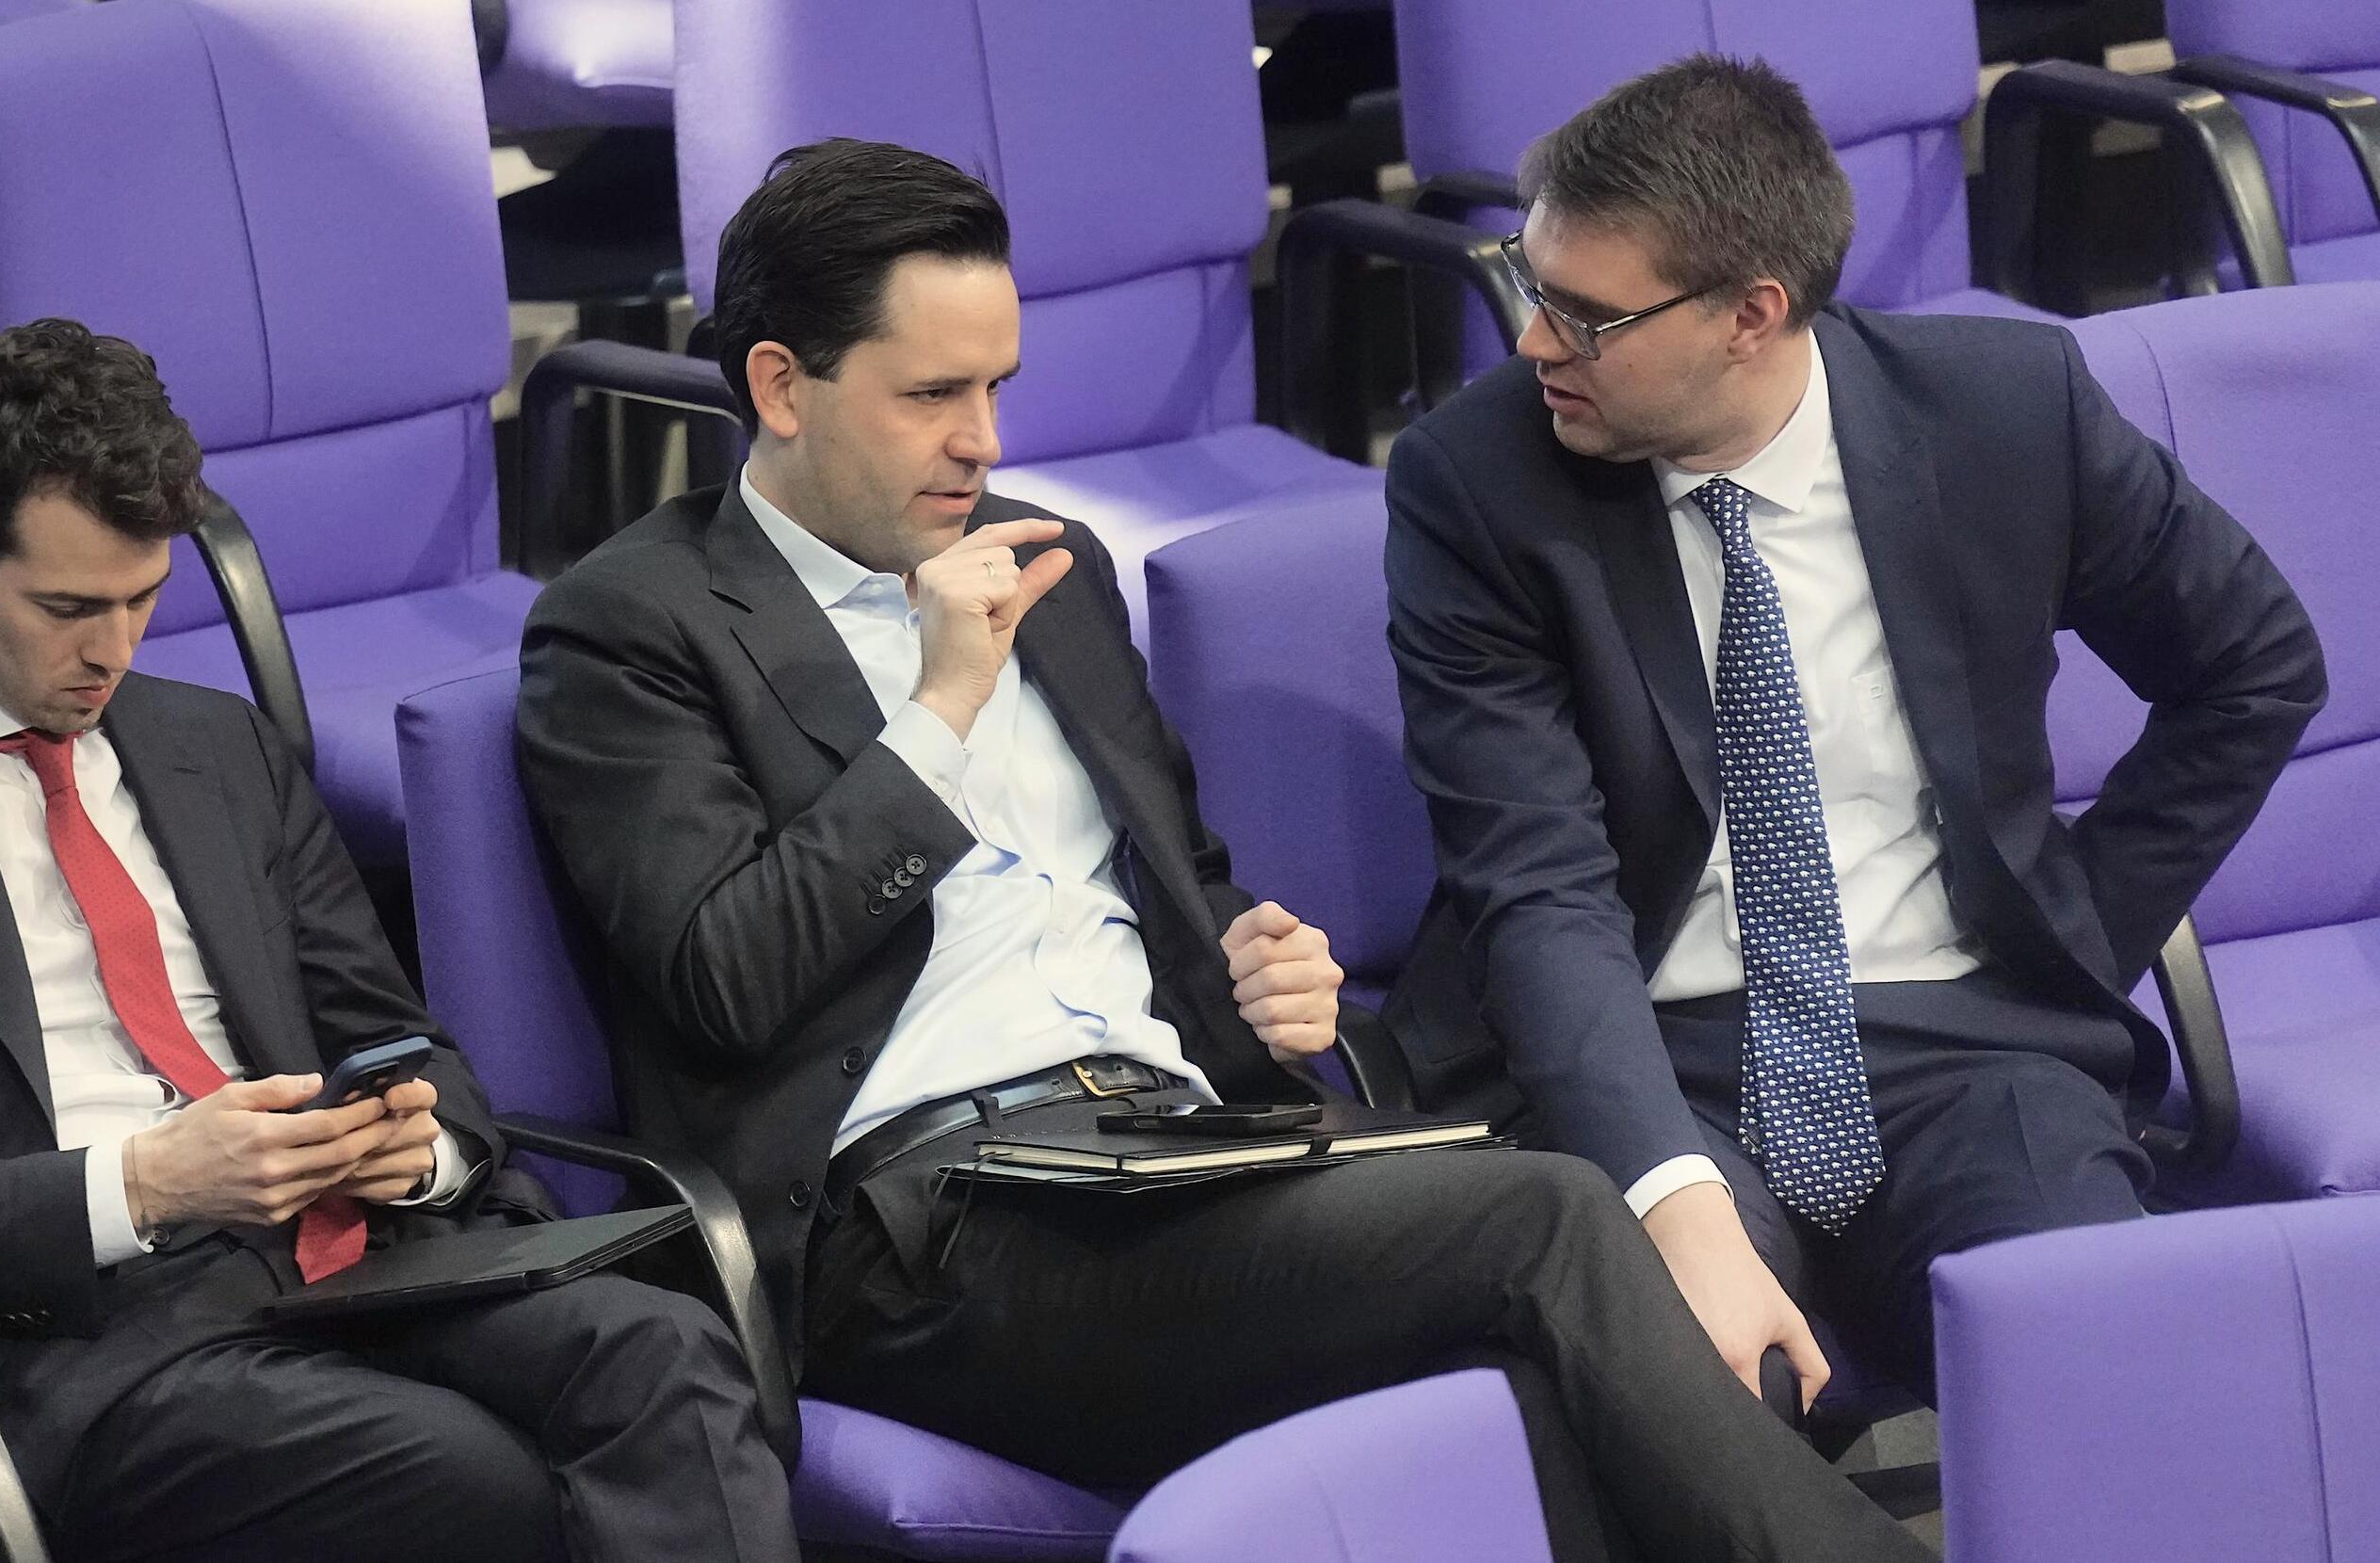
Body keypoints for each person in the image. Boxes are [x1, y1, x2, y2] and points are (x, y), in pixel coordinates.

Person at [516, 137, 1933, 1563]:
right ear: (780, 387)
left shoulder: (1050, 563)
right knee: (1550, 1221)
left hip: (1174, 1154)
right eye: (932, 395)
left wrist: (1261, 974)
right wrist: (937, 714)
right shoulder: (634, 626)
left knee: (1531, 1385)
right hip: (922, 1229)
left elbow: (1182, 890)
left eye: (996, 387)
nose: (983, 441)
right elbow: (728, 977)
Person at [0, 320, 799, 1563]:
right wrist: (149, 1183)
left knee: (669, 1359)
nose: (112, 651)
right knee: (472, 1481)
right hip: (82, 1346)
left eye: (143, 598)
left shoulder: (218, 749)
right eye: (66, 608)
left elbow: (401, 1037)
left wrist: (410, 1147)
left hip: (359, 1261)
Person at [1384, 56, 2324, 1408]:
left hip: (1972, 1046)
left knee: (2109, 1365)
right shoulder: (1475, 486)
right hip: (1653, 1050)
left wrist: (2077, 930)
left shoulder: (2008, 413)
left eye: (1585, 317)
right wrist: (1673, 1199)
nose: (1533, 342)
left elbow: (2255, 665)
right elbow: (1535, 886)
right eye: (1536, 287)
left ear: (1751, 314)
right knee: (1691, 1396)